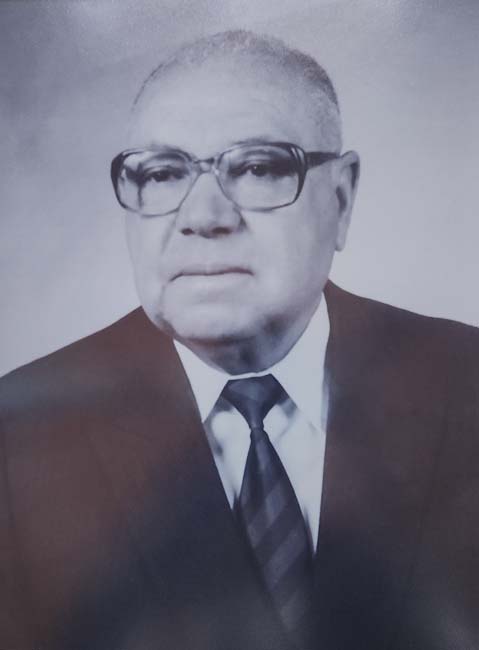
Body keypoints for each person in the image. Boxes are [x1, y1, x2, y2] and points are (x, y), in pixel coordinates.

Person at [1, 30, 478, 650]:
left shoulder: (467, 383)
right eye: (162, 173)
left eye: (257, 167)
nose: (203, 217)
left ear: (341, 198)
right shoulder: (17, 436)